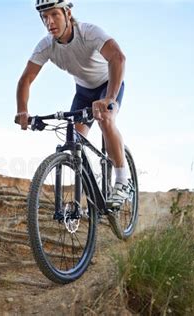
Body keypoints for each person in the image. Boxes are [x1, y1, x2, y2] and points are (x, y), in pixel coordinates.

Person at [15, 0, 131, 209]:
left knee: (105, 119)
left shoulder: (88, 33)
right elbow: (26, 80)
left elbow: (118, 58)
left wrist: (110, 98)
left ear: (67, 13)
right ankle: (91, 185)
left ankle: (123, 180)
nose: (49, 22)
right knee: (74, 139)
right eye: (44, 17)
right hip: (83, 92)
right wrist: (22, 110)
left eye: (54, 15)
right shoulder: (46, 46)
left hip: (108, 83)